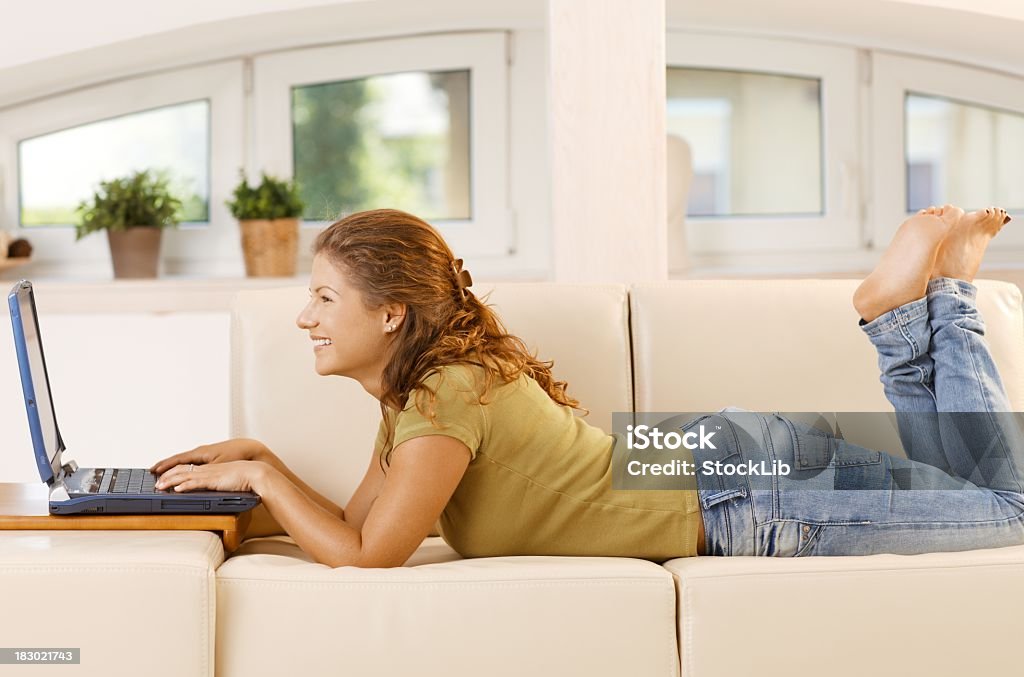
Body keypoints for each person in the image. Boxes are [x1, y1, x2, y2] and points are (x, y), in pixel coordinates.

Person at [150, 206, 1024, 565]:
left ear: (389, 315)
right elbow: (358, 524)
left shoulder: (443, 395)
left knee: (1011, 512)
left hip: (735, 498)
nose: (305, 316)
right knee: (986, 495)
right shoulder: (419, 391)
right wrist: (258, 457)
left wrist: (263, 479)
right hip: (714, 454)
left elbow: (372, 555)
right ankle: (925, 302)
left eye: (324, 296)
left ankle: (917, 310)